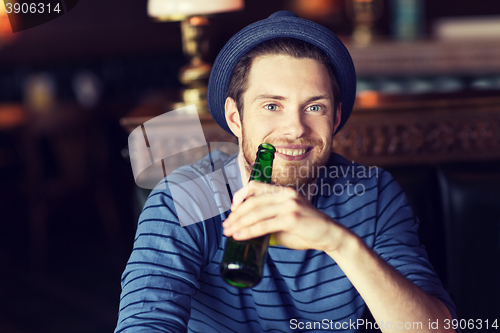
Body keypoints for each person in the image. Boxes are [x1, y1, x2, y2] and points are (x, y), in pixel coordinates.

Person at [115, 11, 458, 333]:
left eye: (314, 107)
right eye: (271, 106)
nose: (295, 128)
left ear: (335, 118)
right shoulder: (185, 198)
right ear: (236, 118)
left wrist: (337, 242)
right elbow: (144, 322)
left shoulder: (373, 192)